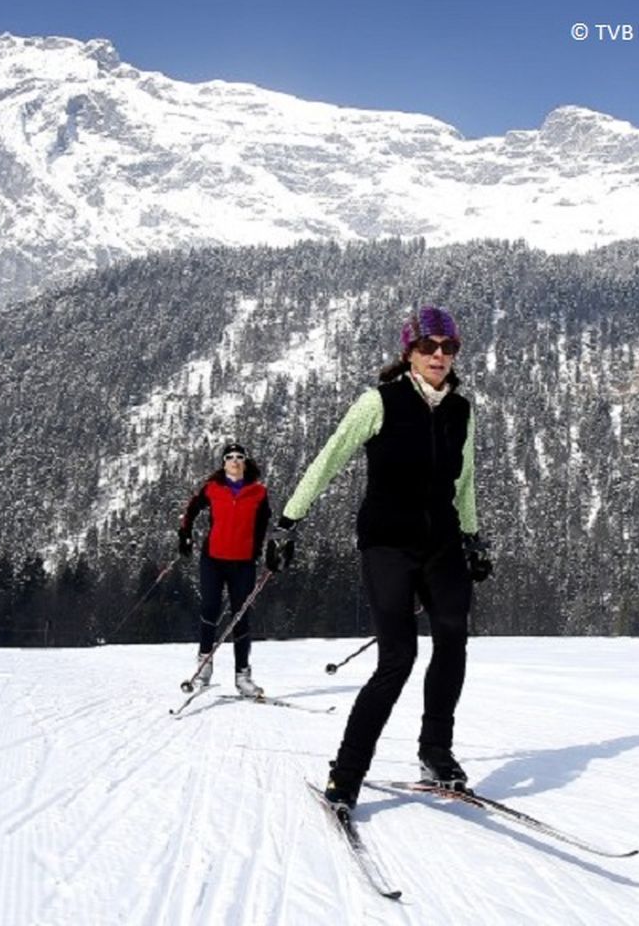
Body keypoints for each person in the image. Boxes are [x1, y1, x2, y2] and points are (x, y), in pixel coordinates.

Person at [266, 305, 493, 809]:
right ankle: (346, 774)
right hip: (388, 543)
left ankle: (436, 751)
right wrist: (288, 521)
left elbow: (466, 477)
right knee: (398, 657)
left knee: (453, 637)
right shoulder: (379, 402)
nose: (439, 356)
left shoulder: (461, 409)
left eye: (448, 347)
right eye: (428, 347)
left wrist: (473, 537)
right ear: (408, 352)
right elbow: (330, 457)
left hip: (443, 543)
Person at [178, 442, 272, 697]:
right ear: (223, 462)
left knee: (241, 617)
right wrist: (185, 534)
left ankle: (243, 676)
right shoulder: (212, 488)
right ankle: (204, 668)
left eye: (239, 457)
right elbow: (192, 509)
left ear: (245, 461)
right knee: (210, 609)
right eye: (229, 457)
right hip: (213, 559)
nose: (234, 461)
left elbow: (265, 524)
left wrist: (265, 551)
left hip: (243, 563)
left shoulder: (259, 493)